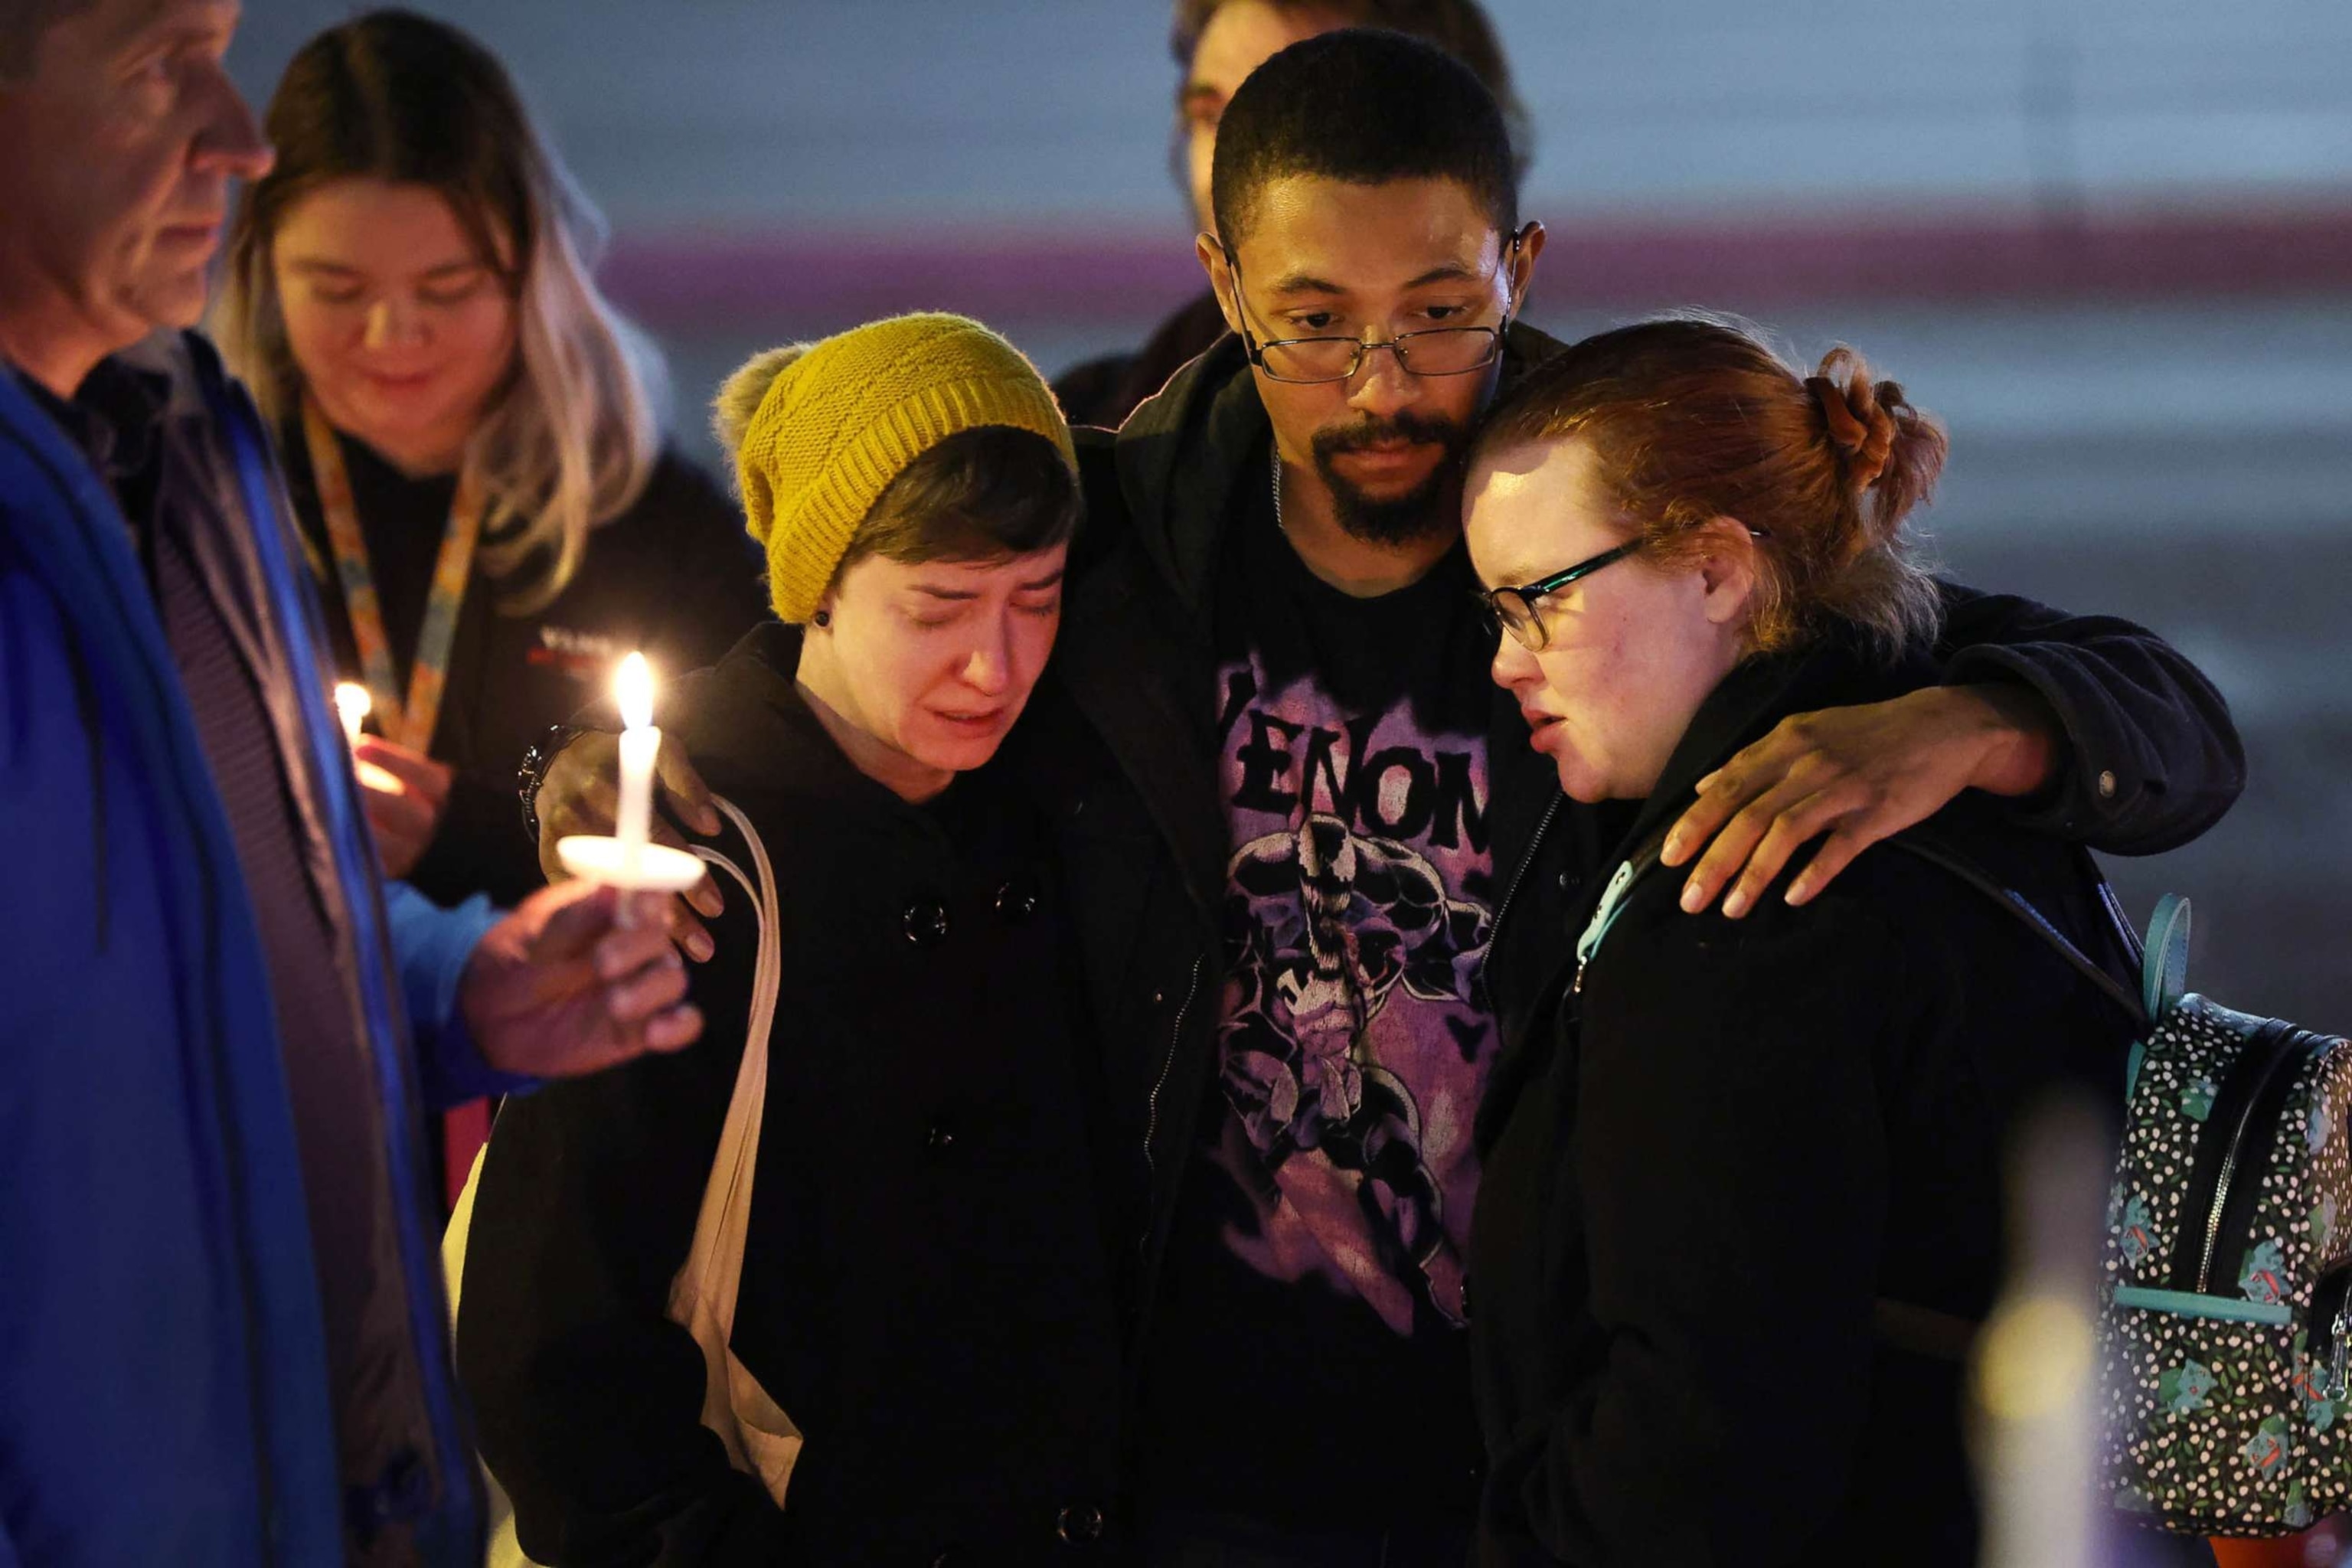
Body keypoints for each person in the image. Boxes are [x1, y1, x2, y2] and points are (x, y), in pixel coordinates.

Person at [535, 31, 2243, 1563]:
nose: (1382, 383)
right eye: (1314, 324)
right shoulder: (1116, 540)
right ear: (1222, 283)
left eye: (1442, 313)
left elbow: (2166, 721)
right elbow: (826, 656)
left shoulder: (1614, 512)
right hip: (1170, 1454)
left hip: (1516, 1451)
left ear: (1521, 264)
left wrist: (1974, 723)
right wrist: (624, 800)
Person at [0, 2, 701, 1561]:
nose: (235, 137)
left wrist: (455, 989)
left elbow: (213, 928)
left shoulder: (182, 450)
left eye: (219, 51)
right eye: (150, 63)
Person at [1456, 315, 2191, 1566]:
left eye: (1536, 603)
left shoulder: (1741, 897)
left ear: (1715, 569)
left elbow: (1697, 1452)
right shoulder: (1910, 722)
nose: (1503, 662)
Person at [458, 315, 1128, 1562]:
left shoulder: (1063, 796)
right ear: (818, 577)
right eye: (939, 605)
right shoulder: (685, 870)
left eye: (1034, 598)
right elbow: (552, 1347)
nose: (994, 662)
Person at [217, 9, 768, 913]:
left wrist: (476, 829)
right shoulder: (201, 505)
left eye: (448, 286)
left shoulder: (653, 525)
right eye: (338, 289)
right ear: (261, 271)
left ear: (533, 271)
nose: (395, 334)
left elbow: (744, 850)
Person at [1054, 0, 1530, 430]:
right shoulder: (1087, 435)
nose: (1236, 160)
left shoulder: (1577, 456)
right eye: (1210, 115)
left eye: (1300, 113)